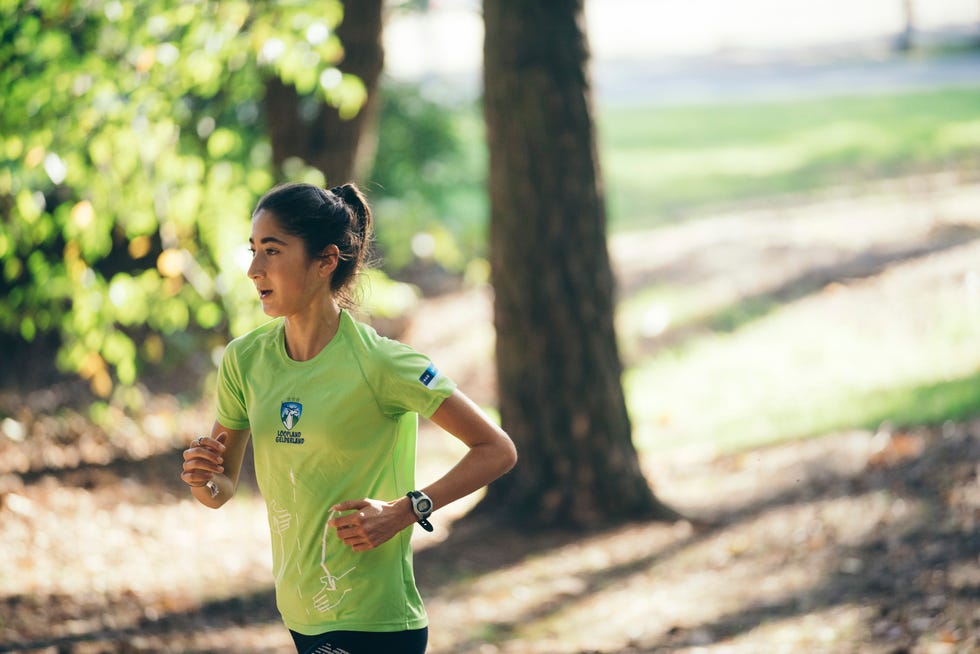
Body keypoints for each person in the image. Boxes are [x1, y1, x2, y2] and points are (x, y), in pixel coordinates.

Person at [180, 182, 517, 654]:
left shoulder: (382, 363)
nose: (254, 270)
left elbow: (497, 450)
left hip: (374, 619)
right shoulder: (244, 361)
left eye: (272, 251)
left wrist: (407, 509)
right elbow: (220, 489)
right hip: (300, 611)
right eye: (253, 251)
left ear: (325, 260)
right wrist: (202, 479)